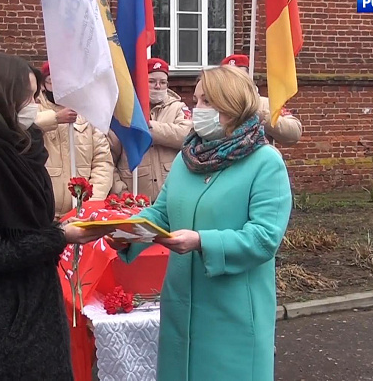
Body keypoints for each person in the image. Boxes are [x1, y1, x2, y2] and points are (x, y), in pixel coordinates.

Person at [106, 65, 292, 380]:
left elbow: (264, 238)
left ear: (231, 106)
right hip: (180, 309)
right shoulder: (188, 156)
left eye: (206, 102)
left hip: (232, 314)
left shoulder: (265, 162)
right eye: (196, 100)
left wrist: (202, 242)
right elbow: (162, 211)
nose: (196, 110)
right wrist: (128, 232)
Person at [0, 53, 111, 380]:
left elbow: (33, 226)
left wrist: (58, 230)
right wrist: (60, 237)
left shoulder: (21, 152)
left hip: (37, 317)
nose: (36, 105)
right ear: (4, 100)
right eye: (29, 97)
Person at [35, 61, 113, 218]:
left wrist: (91, 202)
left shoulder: (87, 114)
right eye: (52, 81)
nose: (58, 87)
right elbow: (20, 128)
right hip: (43, 211)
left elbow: (102, 161)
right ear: (43, 85)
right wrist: (55, 118)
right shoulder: (34, 109)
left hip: (80, 211)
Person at [109, 58, 192, 202]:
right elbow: (109, 156)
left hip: (171, 196)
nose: (158, 86)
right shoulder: (126, 111)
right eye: (152, 81)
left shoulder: (178, 107)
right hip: (134, 196)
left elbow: (186, 135)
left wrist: (150, 128)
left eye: (163, 82)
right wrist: (121, 191)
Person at [221, 54, 303, 146]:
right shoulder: (211, 105)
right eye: (229, 77)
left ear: (248, 78)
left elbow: (294, 133)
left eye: (239, 76)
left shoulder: (266, 104)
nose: (234, 82)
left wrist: (262, 115)